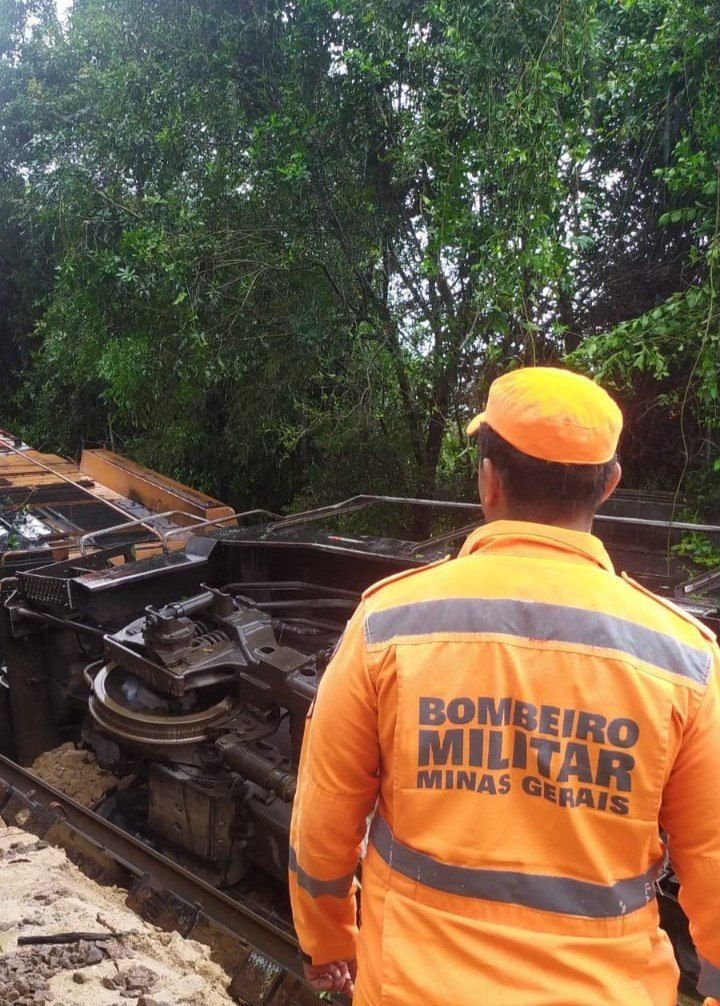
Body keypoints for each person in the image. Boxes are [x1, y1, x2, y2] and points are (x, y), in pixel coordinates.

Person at [288, 366, 720, 1005]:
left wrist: (328, 943)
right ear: (609, 486)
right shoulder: (686, 660)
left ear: (488, 478)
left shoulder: (387, 625)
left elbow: (323, 827)